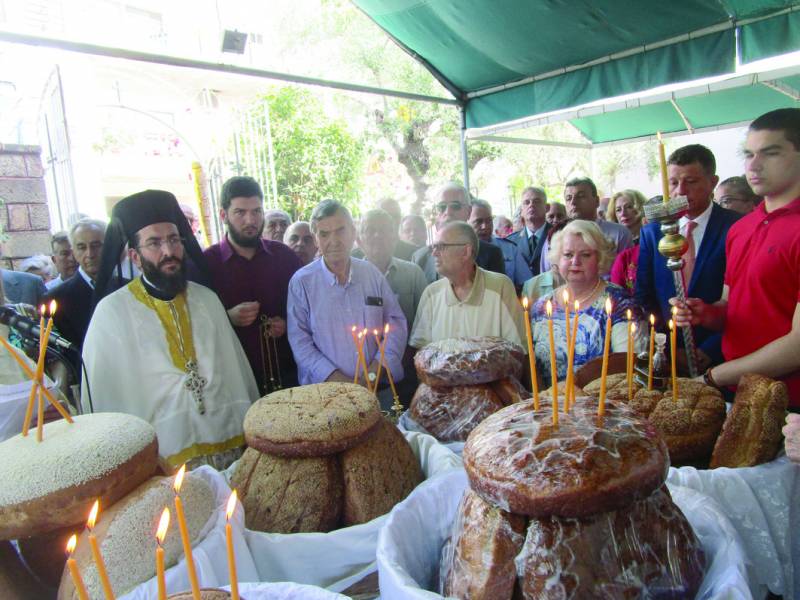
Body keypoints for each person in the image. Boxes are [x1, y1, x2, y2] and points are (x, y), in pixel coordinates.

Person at [84, 190, 258, 469]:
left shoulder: (207, 300)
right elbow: (107, 403)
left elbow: (237, 377)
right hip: (163, 464)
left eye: (174, 240)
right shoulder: (112, 314)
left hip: (230, 450)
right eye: (154, 243)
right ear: (135, 256)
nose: (168, 252)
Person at [672, 109, 800, 409]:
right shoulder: (741, 228)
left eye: (770, 153)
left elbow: (797, 345)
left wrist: (713, 376)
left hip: (790, 403)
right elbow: (731, 306)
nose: (753, 165)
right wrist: (705, 313)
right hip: (738, 393)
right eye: (748, 154)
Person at [287, 200, 407, 396]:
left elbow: (396, 324)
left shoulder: (371, 274)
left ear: (353, 232)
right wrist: (341, 383)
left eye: (340, 231)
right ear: (316, 239)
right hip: (325, 393)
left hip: (375, 388)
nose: (334, 240)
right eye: (324, 234)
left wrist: (371, 375)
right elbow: (300, 342)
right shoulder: (302, 283)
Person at [636, 144, 740, 370]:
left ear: (712, 182)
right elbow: (645, 293)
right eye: (673, 183)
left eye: (690, 182)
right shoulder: (653, 232)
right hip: (670, 354)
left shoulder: (736, 227)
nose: (680, 191)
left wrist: (711, 348)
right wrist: (668, 345)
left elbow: (741, 300)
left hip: (724, 355)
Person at [204, 176, 303, 393]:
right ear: (223, 215)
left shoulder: (284, 257)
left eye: (257, 211)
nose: (250, 220)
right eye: (240, 212)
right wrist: (227, 318)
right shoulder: (206, 264)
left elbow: (310, 310)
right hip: (234, 385)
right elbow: (195, 325)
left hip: (289, 378)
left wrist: (287, 324)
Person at [530, 220, 641, 387]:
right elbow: (530, 365)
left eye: (585, 255)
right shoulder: (541, 307)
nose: (575, 261)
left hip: (602, 405)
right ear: (558, 259)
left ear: (600, 259)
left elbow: (628, 366)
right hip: (548, 405)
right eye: (568, 255)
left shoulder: (620, 303)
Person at [410, 221, 525, 349]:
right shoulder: (431, 293)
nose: (434, 253)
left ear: (466, 252)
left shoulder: (500, 287)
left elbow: (518, 349)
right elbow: (420, 350)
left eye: (441, 247)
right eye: (433, 247)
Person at [412, 182, 505, 283]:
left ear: (469, 212)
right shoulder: (419, 258)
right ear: (435, 213)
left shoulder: (491, 254)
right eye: (441, 207)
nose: (448, 212)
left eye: (455, 206)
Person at [540, 177, 632, 273]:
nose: (573, 202)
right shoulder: (556, 236)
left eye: (581, 196)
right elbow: (545, 278)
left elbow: (628, 276)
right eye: (568, 198)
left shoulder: (619, 234)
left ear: (596, 201)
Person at [358, 209, 427, 330]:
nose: (377, 235)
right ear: (359, 241)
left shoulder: (413, 274)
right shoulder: (351, 276)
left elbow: (426, 320)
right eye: (370, 230)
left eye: (384, 230)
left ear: (395, 238)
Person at [44, 219, 106, 350]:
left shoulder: (127, 287)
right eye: (82, 247)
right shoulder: (55, 298)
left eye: (96, 245)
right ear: (74, 252)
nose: (90, 254)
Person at [469, 198, 532, 288]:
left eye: (489, 220)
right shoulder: (460, 252)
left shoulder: (510, 249)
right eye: (478, 222)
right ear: (467, 221)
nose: (485, 226)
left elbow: (527, 283)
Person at [353, 198, 417, 261]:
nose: (392, 220)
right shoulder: (353, 259)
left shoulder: (415, 254)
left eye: (396, 216)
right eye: (385, 215)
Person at [608, 189, 647, 293]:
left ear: (639, 208)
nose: (623, 213)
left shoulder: (649, 239)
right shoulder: (611, 242)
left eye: (629, 207)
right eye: (618, 210)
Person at [506, 187, 550, 278]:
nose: (531, 205)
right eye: (526, 202)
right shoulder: (511, 241)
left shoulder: (558, 235)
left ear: (547, 207)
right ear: (521, 210)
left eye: (537, 201)